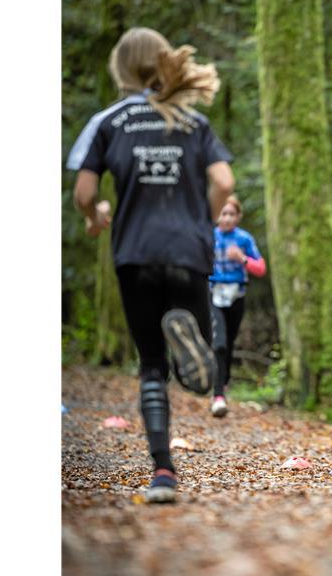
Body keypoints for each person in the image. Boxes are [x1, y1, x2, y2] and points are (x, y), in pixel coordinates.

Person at [66, 27, 236, 503]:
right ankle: (189, 341)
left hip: (134, 253)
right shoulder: (191, 122)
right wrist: (200, 217)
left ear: (120, 67)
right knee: (195, 371)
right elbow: (223, 180)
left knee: (151, 367)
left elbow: (84, 193)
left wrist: (95, 215)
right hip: (187, 249)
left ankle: (163, 473)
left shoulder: (108, 121)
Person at [208, 195, 267, 417]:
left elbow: (261, 268)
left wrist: (242, 259)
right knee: (219, 343)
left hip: (236, 296)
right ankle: (218, 396)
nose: (227, 219)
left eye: (232, 214)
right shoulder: (209, 236)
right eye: (223, 214)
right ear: (217, 216)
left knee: (229, 343)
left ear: (238, 217)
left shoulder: (244, 239)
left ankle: (223, 381)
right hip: (213, 293)